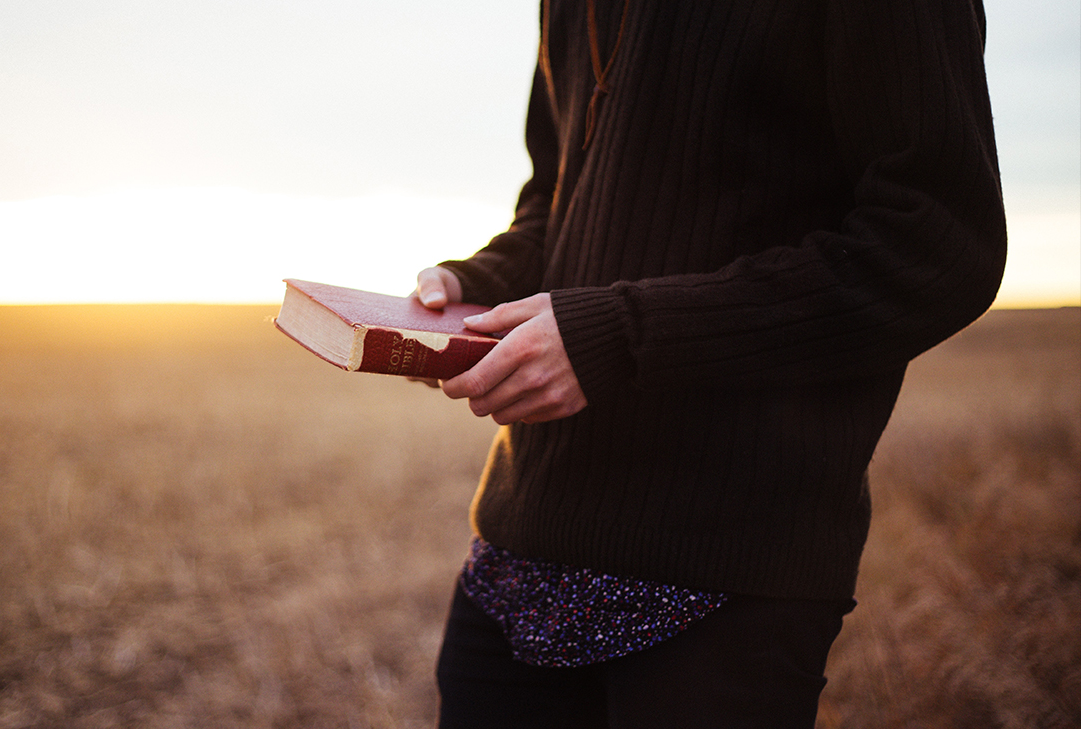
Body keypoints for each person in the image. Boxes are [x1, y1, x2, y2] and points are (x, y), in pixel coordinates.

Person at [412, 0, 1007, 726]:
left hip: (724, 586)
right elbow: (558, 196)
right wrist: (481, 284)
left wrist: (626, 335)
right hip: (518, 560)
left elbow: (938, 247)